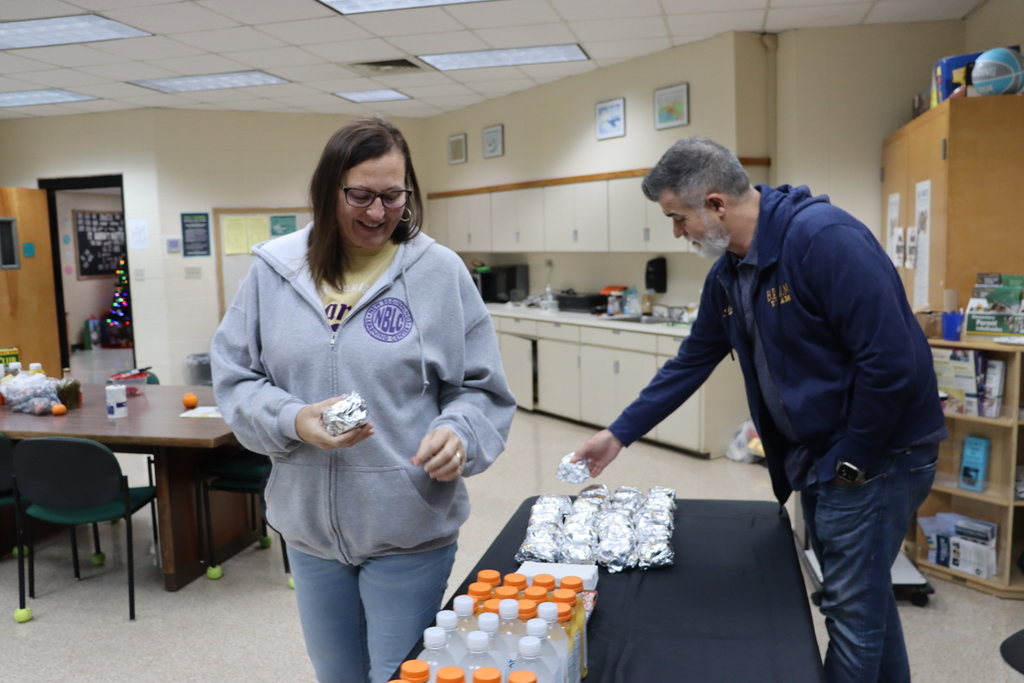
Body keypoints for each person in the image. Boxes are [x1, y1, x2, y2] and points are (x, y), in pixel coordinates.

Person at [571, 137, 946, 683]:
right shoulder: (728, 273)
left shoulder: (825, 241)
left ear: (717, 205)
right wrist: (618, 434)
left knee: (850, 613)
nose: (677, 233)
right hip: (827, 459)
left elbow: (891, 362)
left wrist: (852, 461)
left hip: (877, 457)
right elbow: (690, 362)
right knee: (861, 602)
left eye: (679, 219)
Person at [211, 117, 516, 683]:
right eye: (360, 195)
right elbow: (235, 379)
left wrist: (460, 434)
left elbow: (480, 389)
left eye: (393, 195)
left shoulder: (439, 272)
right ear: (329, 192)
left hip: (408, 523)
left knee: (396, 674)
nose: (378, 212)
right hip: (308, 528)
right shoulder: (273, 271)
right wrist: (294, 419)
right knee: (336, 674)